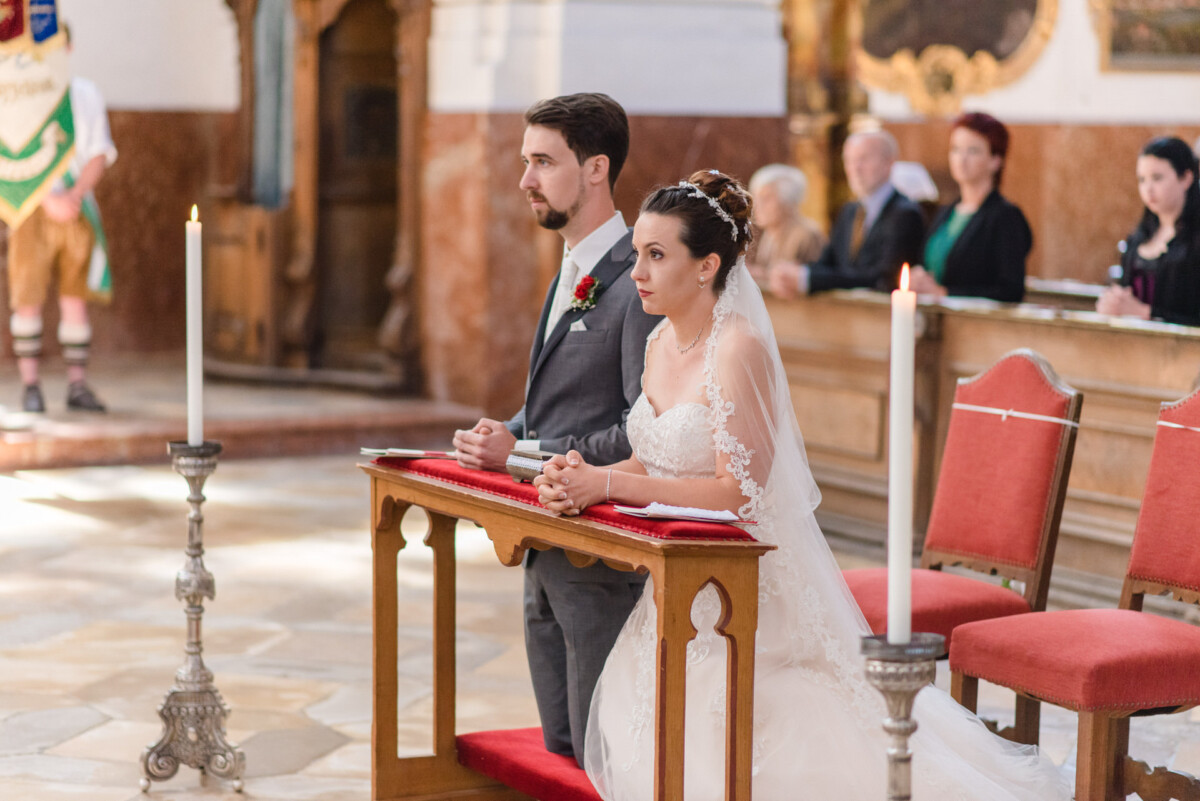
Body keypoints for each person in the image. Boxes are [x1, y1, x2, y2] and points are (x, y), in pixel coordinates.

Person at [534, 170, 1072, 800]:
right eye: (637, 256)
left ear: (707, 266)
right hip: (677, 581)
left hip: (747, 591)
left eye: (657, 255)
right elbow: (658, 462)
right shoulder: (657, 343)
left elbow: (740, 493)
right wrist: (585, 478)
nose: (638, 273)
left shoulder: (738, 350)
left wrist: (609, 484)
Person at [451, 93, 659, 766]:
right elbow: (557, 403)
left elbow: (643, 426)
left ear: (595, 168)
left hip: (599, 553)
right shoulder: (573, 265)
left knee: (601, 754)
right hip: (545, 539)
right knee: (562, 745)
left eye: (543, 161)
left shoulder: (638, 281)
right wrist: (504, 434)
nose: (525, 180)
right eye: (525, 160)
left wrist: (528, 451)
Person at [7, 30, 115, 414]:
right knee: (28, 296)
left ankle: (77, 385)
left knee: (75, 298)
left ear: (68, 48)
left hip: (77, 206)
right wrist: (46, 199)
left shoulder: (84, 93)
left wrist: (74, 194)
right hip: (31, 209)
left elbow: (100, 151)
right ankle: (31, 385)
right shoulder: (17, 94)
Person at [767, 129, 924, 299]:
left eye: (863, 159)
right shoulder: (849, 211)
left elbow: (883, 278)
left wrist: (808, 279)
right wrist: (796, 273)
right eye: (849, 161)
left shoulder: (905, 214)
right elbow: (828, 263)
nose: (855, 169)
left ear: (888, 163)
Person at [909, 112, 1032, 303]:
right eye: (956, 149)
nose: (961, 159)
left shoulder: (1005, 216)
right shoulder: (946, 212)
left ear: (995, 160)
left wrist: (944, 293)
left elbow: (1011, 291)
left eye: (973, 151)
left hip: (976, 327)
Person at [1096, 136, 1200, 326]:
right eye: (1142, 180)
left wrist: (1144, 312)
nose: (1148, 189)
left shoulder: (1194, 242)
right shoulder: (1137, 239)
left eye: (1157, 178)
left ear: (1186, 178)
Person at [746, 164, 825, 282]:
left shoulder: (807, 236)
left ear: (788, 201)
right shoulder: (770, 233)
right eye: (756, 198)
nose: (757, 205)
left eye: (766, 198)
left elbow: (809, 280)